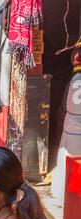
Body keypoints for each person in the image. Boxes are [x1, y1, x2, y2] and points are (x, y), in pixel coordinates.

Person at [51, 41, 81, 206]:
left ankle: (63, 195)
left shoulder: (74, 79)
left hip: (70, 127)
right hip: (75, 128)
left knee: (66, 163)